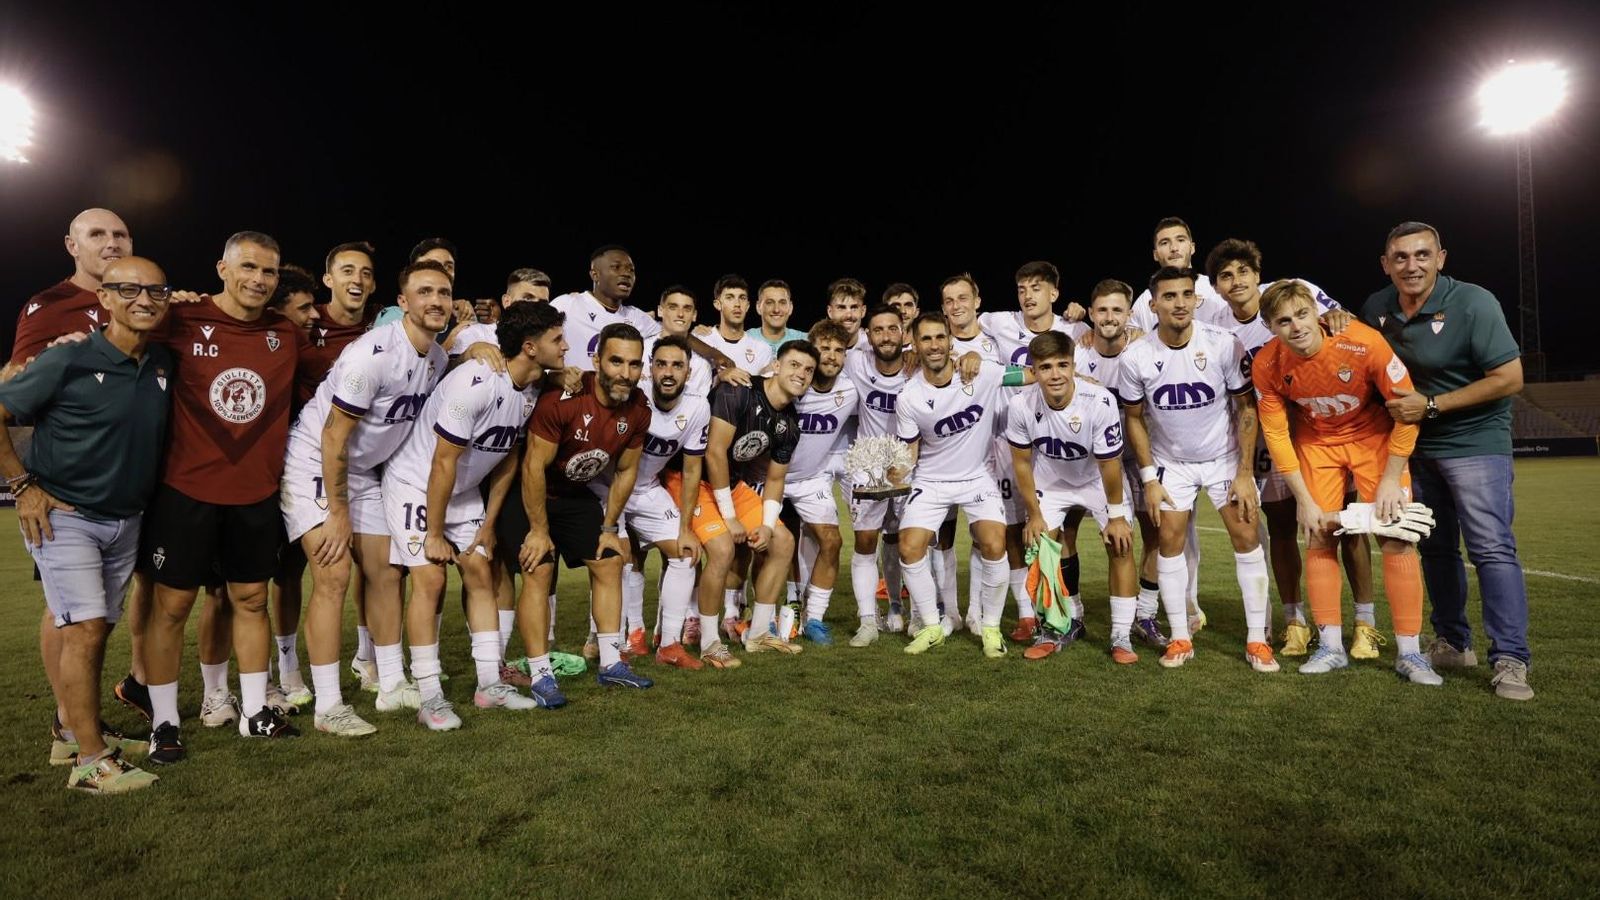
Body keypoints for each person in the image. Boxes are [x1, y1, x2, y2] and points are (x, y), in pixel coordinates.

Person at [0, 256, 172, 792]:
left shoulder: (162, 360)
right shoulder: (69, 357)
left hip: (126, 519)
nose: (144, 300)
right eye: (129, 290)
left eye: (156, 291)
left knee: (91, 627)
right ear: (105, 298)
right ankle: (91, 763)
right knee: (85, 630)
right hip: (65, 517)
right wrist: (22, 487)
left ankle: (73, 733)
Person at [140, 231, 306, 763]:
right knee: (173, 608)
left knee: (251, 601)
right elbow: (120, 335)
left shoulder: (286, 332)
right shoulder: (180, 319)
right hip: (185, 490)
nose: (259, 279)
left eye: (269, 271)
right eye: (249, 267)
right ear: (223, 268)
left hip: (255, 494)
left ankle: (255, 712)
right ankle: (164, 722)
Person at [279, 258, 452, 735]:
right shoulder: (372, 354)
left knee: (386, 571)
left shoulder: (437, 359)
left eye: (443, 292)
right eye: (424, 292)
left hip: (362, 470)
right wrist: (338, 513)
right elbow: (333, 436)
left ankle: (392, 682)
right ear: (403, 302)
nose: (435, 301)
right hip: (315, 460)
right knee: (333, 574)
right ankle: (328, 705)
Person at [1360, 221, 1532, 700]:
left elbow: (1510, 377)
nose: (1411, 265)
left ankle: (1510, 658)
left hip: (1474, 440)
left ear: (1440, 258)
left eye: (1422, 255)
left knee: (1491, 548)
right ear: (1386, 264)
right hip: (1414, 444)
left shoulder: (1473, 302)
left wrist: (1433, 406)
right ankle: (1453, 642)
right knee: (1434, 547)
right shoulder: (1376, 308)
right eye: (1400, 257)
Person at [381, 301, 568, 726]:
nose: (565, 346)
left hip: (462, 491)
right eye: (557, 339)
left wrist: (488, 524)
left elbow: (506, 458)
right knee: (430, 579)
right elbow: (442, 461)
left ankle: (489, 686)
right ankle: (430, 696)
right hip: (417, 483)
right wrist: (434, 533)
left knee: (481, 571)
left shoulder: (530, 388)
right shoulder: (476, 382)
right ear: (530, 347)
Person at [1253, 280, 1442, 685]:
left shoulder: (1363, 341)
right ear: (1270, 327)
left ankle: (1411, 654)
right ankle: (1330, 648)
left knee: (1396, 536)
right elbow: (1277, 434)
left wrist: (1391, 478)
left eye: (1302, 315)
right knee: (1319, 535)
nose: (1296, 327)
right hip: (1317, 444)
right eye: (1283, 321)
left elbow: (1407, 411)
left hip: (1373, 440)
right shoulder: (1267, 364)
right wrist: (1303, 500)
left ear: (1316, 312)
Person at [1203, 238, 1375, 659]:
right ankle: (1295, 621)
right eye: (1225, 276)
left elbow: (1342, 324)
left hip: (1321, 430)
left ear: (1258, 274)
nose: (1236, 281)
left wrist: (1339, 315)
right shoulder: (1215, 325)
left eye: (1243, 271)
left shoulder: (1292, 294)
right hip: (1267, 436)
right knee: (1281, 527)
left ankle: (1365, 623)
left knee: (1347, 525)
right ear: (1216, 287)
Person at [1116, 267, 1273, 672]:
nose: (1180, 303)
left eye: (1187, 294)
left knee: (1247, 535)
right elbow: (1134, 418)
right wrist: (1149, 478)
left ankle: (1257, 640)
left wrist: (1244, 473)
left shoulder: (1223, 344)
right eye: (1169, 296)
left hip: (1224, 459)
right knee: (1168, 541)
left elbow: (1246, 408)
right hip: (1172, 464)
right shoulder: (1136, 356)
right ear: (1153, 305)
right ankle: (1180, 638)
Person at [516, 323, 656, 695]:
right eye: (616, 361)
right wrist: (539, 530)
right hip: (532, 493)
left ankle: (611, 662)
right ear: (596, 361)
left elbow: (626, 470)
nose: (625, 373)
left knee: (610, 560)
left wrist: (609, 528)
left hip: (574, 495)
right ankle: (541, 675)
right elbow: (533, 467)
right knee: (539, 568)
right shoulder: (564, 398)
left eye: (634, 364)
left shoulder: (639, 408)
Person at [894, 313, 1031, 657]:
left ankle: (991, 628)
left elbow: (1031, 374)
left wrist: (1076, 377)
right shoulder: (909, 397)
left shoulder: (982, 373)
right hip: (931, 480)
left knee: (994, 543)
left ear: (950, 340)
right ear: (915, 345)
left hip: (976, 478)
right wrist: (895, 473)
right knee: (909, 548)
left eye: (940, 337)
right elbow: (910, 452)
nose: (934, 345)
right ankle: (931, 626)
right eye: (926, 339)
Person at [1006, 331, 1139, 661]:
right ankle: (1061, 623)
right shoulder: (1020, 405)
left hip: (1096, 480)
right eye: (1046, 367)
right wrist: (1034, 514)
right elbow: (1021, 464)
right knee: (1042, 547)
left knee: (1120, 544)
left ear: (1073, 365)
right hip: (1052, 481)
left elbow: (1109, 465)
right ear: (1034, 371)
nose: (1055, 375)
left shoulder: (1100, 401)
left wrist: (1116, 517)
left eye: (1062, 365)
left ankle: (1121, 634)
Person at [694, 341, 819, 656]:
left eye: (808, 370)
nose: (801, 374)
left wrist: (766, 525)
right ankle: (709, 642)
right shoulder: (738, 390)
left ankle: (760, 634)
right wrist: (730, 517)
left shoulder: (789, 424)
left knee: (783, 541)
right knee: (723, 550)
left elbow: (775, 479)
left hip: (731, 485)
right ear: (776, 366)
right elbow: (714, 453)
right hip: (693, 481)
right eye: (794, 365)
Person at [618, 335, 721, 669]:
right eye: (661, 364)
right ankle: (616, 640)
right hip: (609, 489)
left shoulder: (697, 407)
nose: (668, 372)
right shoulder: (631, 395)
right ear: (650, 368)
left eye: (677, 365)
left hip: (647, 490)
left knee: (685, 553)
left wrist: (685, 527)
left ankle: (670, 645)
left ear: (688, 372)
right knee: (615, 558)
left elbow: (692, 470)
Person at [782, 320, 858, 645]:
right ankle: (762, 613)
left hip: (811, 479)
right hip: (771, 478)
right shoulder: (791, 386)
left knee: (832, 542)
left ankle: (814, 618)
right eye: (824, 348)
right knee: (768, 547)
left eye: (838, 350)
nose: (831, 356)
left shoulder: (850, 390)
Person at [840, 307, 912, 645]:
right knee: (866, 541)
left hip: (909, 465)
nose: (886, 336)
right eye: (878, 330)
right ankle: (868, 621)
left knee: (903, 541)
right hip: (868, 465)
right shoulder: (857, 362)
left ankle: (899, 608)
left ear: (903, 333)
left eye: (892, 329)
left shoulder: (917, 366)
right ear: (868, 336)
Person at [698, 274, 774, 376]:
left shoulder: (763, 349)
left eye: (742, 298)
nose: (737, 304)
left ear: (747, 306)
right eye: (729, 298)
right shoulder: (701, 341)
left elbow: (767, 385)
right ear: (718, 304)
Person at [753, 280, 807, 354]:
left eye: (782, 303)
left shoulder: (805, 340)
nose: (776, 310)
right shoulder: (745, 339)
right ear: (758, 307)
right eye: (769, 303)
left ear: (790, 307)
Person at [826, 278, 870, 350]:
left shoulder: (874, 347)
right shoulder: (815, 347)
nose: (848, 315)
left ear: (863, 311)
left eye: (854, 307)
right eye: (841, 307)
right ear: (830, 311)